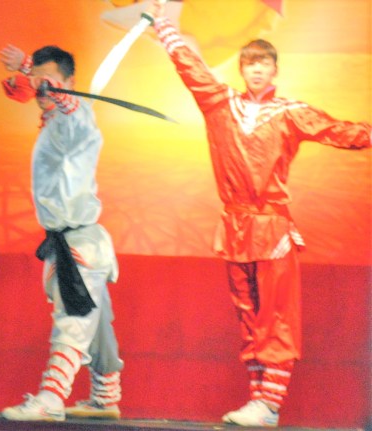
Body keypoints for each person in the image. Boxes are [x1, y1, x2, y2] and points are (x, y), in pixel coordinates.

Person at [145, 1, 371, 426]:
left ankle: (269, 403)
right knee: (248, 316)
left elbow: (339, 131)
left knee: (276, 316)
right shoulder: (220, 103)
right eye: (250, 63)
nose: (256, 70)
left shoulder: (289, 112)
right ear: (242, 68)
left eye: (264, 63)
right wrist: (163, 24)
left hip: (272, 227)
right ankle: (258, 402)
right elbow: (189, 65)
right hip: (235, 226)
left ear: (274, 70)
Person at [0, 45, 124, 422]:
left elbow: (76, 117)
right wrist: (30, 72)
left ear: (69, 83)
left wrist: (49, 84)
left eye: (51, 81)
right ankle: (105, 396)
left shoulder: (78, 119)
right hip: (71, 240)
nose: (41, 88)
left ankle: (51, 397)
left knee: (73, 320)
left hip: (80, 245)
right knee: (95, 322)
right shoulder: (53, 121)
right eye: (38, 81)